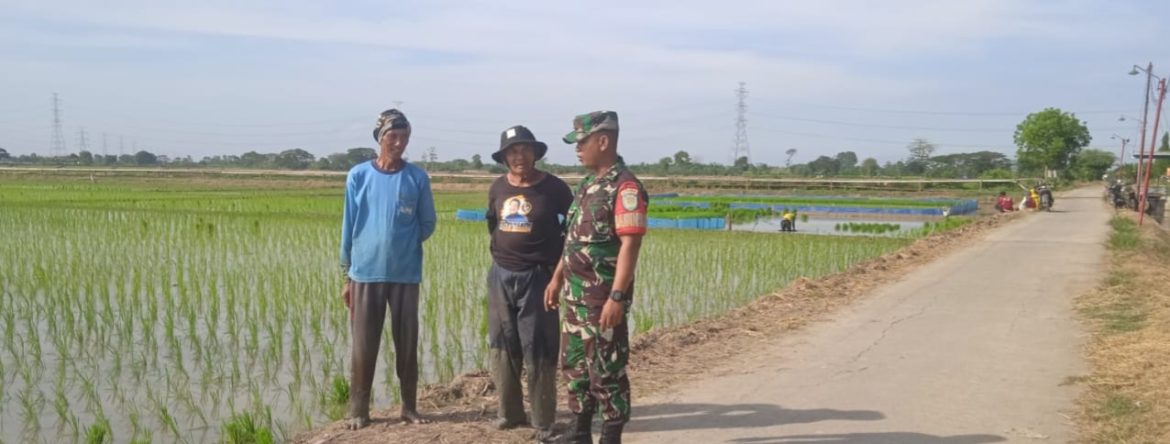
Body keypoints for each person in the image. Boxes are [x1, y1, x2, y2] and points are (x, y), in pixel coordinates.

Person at [545, 111, 647, 444]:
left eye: (582, 142)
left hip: (602, 300)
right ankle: (579, 433)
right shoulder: (587, 185)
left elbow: (631, 244)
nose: (577, 149)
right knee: (574, 367)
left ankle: (611, 436)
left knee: (606, 370)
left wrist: (617, 297)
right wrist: (557, 278)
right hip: (575, 300)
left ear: (603, 141)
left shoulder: (625, 187)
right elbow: (573, 239)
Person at [339, 109, 437, 429]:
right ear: (380, 139)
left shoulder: (417, 178)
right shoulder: (358, 175)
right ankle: (359, 410)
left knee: (407, 343)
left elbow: (427, 223)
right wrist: (347, 273)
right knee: (364, 345)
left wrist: (402, 243)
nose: (399, 143)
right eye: (392, 137)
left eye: (404, 137)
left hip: (405, 275)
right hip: (365, 273)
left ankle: (409, 407)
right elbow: (349, 225)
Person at [484, 125, 573, 442]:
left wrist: (557, 276)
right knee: (502, 344)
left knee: (539, 346)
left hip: (539, 277)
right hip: (500, 275)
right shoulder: (497, 188)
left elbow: (573, 234)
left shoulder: (556, 189)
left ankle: (543, 419)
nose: (518, 155)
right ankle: (509, 413)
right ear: (505, 157)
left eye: (524, 149)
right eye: (512, 151)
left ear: (535, 153)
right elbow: (493, 225)